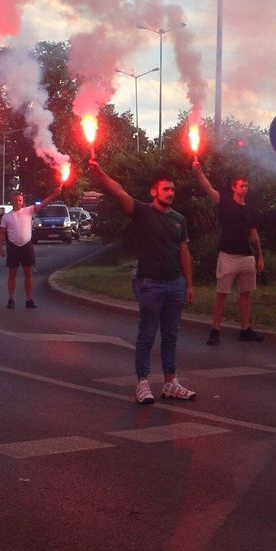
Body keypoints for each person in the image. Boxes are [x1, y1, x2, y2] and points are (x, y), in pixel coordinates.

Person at [88, 158, 196, 404]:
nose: (170, 193)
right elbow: (119, 192)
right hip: (151, 285)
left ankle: (170, 382)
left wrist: (188, 283)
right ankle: (143, 383)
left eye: (172, 189)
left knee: (171, 335)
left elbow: (184, 252)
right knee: (146, 335)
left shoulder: (179, 219)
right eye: (166, 189)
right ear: (154, 192)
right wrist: (100, 171)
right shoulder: (143, 212)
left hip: (174, 285)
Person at [193, 162, 265, 344]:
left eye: (246, 185)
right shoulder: (225, 202)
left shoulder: (250, 210)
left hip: (247, 257)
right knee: (221, 294)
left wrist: (259, 256)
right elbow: (208, 188)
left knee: (246, 294)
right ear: (234, 187)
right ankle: (215, 330)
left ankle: (245, 329)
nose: (245, 188)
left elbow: (254, 236)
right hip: (228, 256)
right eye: (241, 185)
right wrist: (199, 172)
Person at [0, 187, 63, 309]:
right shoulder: (7, 216)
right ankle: (11, 299)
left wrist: (54, 194)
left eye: (20, 200)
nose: (18, 202)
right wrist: (0, 248)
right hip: (13, 247)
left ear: (23, 202)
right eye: (15, 200)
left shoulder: (28, 211)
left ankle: (29, 299)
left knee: (28, 273)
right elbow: (2, 233)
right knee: (12, 274)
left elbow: (43, 204)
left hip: (26, 246)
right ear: (11, 201)